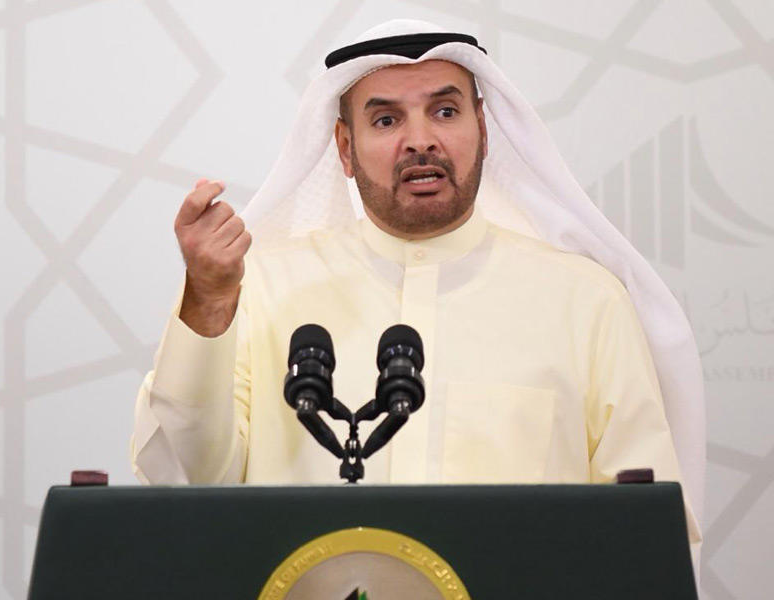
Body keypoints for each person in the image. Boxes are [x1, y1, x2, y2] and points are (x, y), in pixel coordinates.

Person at [130, 20, 702, 571]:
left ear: (483, 129)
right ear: (345, 148)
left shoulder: (586, 302)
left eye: (445, 112)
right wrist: (208, 298)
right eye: (385, 120)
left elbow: (642, 535)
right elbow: (188, 478)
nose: (421, 140)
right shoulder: (259, 289)